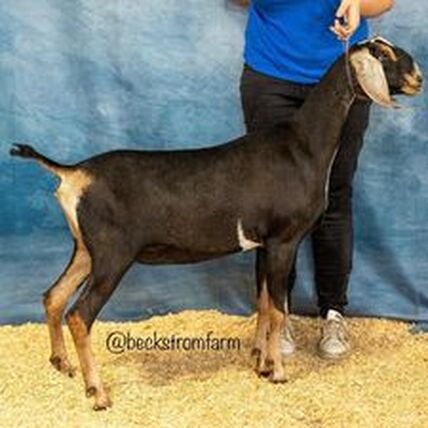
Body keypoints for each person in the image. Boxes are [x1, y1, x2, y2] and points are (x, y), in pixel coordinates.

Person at [239, 0, 394, 359]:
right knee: (269, 204)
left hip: (343, 76)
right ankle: (278, 314)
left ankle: (334, 313)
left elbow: (382, 2)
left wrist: (356, 1)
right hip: (271, 78)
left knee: (334, 196)